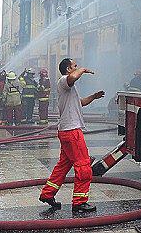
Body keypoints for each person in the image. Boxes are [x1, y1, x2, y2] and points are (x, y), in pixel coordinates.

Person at [39, 58, 104, 213]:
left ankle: (47, 194)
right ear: (68, 69)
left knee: (63, 166)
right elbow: (73, 77)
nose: (77, 67)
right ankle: (79, 202)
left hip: (66, 131)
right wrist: (83, 70)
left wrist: (93, 96)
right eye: (74, 66)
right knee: (83, 166)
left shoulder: (69, 89)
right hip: (72, 131)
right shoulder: (64, 81)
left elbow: (80, 102)